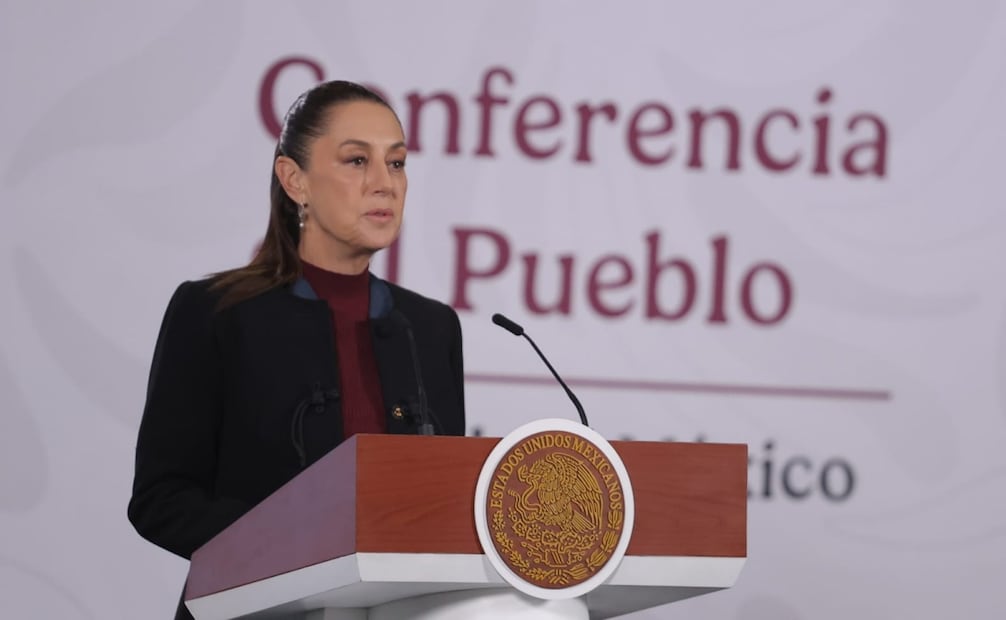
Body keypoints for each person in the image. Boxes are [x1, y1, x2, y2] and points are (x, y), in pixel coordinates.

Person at [127, 80, 466, 620]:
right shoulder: (215, 312)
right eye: (357, 161)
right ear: (294, 179)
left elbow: (443, 501)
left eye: (397, 164)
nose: (385, 184)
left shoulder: (430, 328)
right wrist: (293, 546)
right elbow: (162, 500)